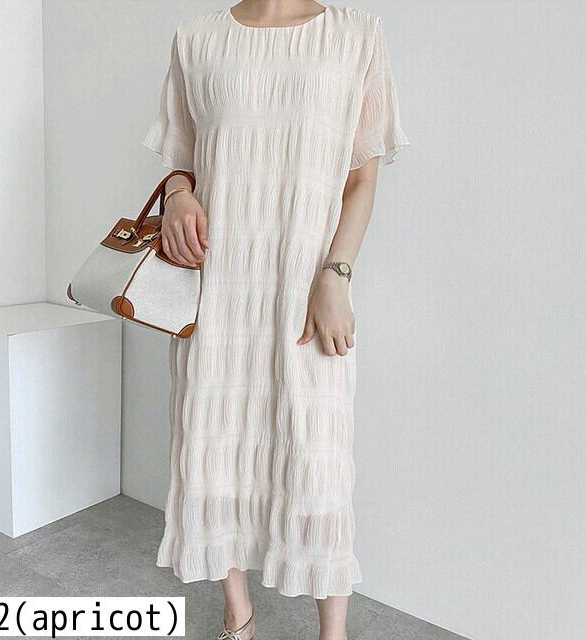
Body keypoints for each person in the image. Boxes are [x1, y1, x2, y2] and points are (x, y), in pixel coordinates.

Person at [142, 2, 409, 639]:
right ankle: (238, 615)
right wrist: (177, 195)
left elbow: (361, 179)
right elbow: (182, 158)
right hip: (219, 289)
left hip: (308, 287)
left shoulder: (355, 36)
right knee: (217, 446)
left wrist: (336, 274)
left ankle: (332, 632)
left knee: (317, 456)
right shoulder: (196, 40)